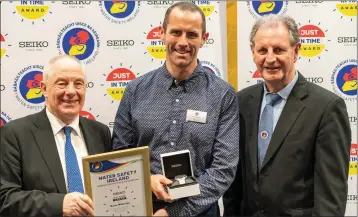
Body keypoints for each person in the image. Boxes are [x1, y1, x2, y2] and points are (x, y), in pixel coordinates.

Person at [112, 2, 240, 216]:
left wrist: (174, 213)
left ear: (203, 39)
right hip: (143, 208)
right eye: (176, 32)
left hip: (200, 211)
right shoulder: (135, 91)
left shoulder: (223, 95)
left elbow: (223, 169)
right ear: (162, 34)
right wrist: (145, 179)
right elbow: (120, 155)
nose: (183, 42)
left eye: (191, 34)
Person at [223, 14, 351, 216]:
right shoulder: (240, 102)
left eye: (279, 50)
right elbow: (234, 184)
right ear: (253, 52)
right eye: (263, 50)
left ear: (296, 51)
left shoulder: (326, 107)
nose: (270, 58)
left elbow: (331, 194)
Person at [0, 55, 112, 216]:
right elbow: (5, 198)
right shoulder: (14, 134)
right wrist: (59, 204)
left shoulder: (101, 133)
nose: (71, 91)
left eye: (78, 84)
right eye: (62, 83)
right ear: (44, 88)